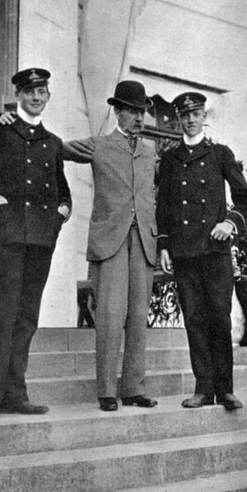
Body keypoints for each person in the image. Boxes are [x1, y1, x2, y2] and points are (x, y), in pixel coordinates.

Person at [0, 67, 72, 422]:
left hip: (40, 241)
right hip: (7, 238)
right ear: (18, 94)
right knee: (0, 316)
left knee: (26, 318)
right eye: (30, 92)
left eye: (42, 92)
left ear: (48, 96)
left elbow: (64, 191)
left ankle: (16, 394)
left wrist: (60, 215)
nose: (37, 98)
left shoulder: (53, 143)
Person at [58, 80, 159, 412]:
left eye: (142, 111)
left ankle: (133, 389)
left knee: (139, 316)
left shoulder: (150, 151)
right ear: (118, 111)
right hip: (110, 241)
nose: (138, 118)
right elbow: (54, 149)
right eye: (132, 111)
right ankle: (106, 391)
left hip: (143, 241)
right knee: (111, 316)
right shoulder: (98, 145)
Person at [156, 92, 247, 411]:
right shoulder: (170, 160)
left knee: (219, 319)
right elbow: (164, 207)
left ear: (203, 116)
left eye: (196, 113)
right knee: (194, 320)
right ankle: (203, 388)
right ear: (179, 120)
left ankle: (225, 389)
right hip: (184, 252)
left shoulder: (220, 154)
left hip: (215, 252)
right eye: (185, 115)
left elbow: (244, 198)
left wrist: (230, 223)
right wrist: (164, 244)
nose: (191, 120)